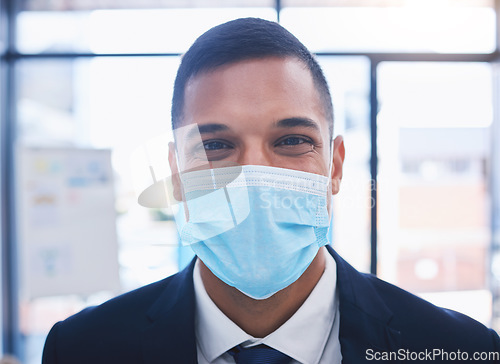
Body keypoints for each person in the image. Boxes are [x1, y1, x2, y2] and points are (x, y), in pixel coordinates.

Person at [42, 17, 499, 364]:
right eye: (216, 145)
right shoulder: (82, 349)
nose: (254, 173)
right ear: (178, 175)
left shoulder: (459, 349)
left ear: (334, 167)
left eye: (292, 141)